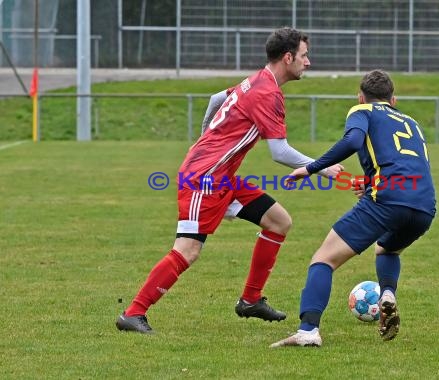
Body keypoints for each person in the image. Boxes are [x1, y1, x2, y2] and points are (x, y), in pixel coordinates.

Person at [116, 27, 343, 334]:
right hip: (204, 179)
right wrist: (321, 167)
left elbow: (214, 99)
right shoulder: (267, 92)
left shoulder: (257, 80)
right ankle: (133, 312)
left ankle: (250, 300)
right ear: (288, 57)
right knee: (187, 250)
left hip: (221, 177)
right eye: (304, 56)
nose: (308, 62)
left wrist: (204, 139)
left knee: (279, 221)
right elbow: (279, 151)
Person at [270, 69, 436, 347]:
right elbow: (404, 163)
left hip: (388, 200)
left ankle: (308, 331)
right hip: (424, 205)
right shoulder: (411, 122)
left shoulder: (363, 111)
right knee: (387, 248)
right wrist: (369, 182)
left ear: (361, 97)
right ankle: (387, 294)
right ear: (393, 100)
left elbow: (352, 141)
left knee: (323, 259)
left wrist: (310, 168)